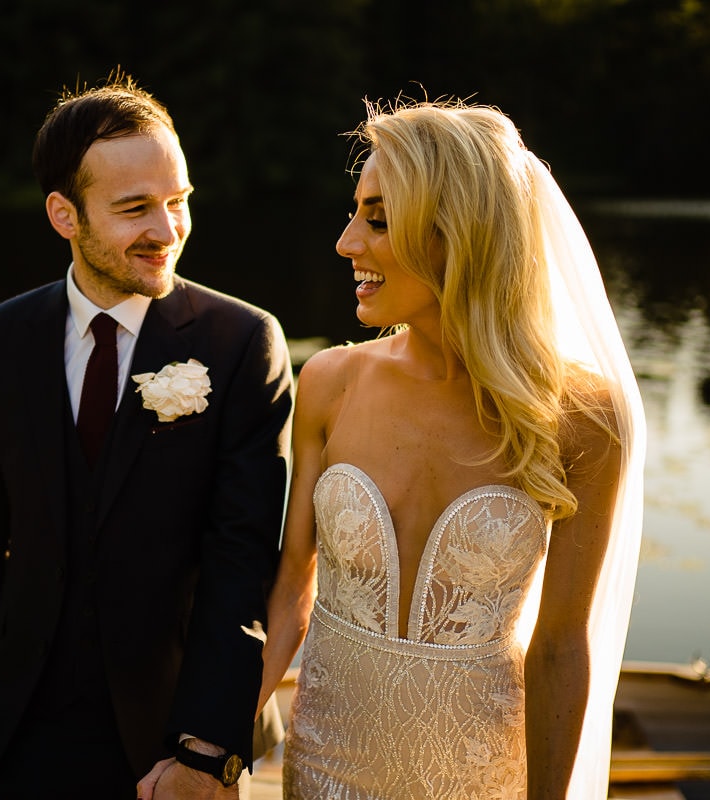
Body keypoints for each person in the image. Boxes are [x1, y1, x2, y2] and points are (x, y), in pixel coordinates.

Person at [256, 99, 646, 798]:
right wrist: (215, 746)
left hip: (477, 775)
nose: (347, 242)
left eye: (378, 219)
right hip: (327, 768)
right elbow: (292, 586)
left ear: (456, 232)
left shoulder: (582, 418)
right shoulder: (330, 383)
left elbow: (561, 644)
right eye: (354, 212)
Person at [0, 72, 293, 800]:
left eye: (178, 201)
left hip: (171, 728)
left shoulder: (241, 342)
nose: (166, 231)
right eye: (135, 209)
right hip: (25, 721)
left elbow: (242, 563)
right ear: (64, 215)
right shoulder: (0, 337)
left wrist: (206, 753)